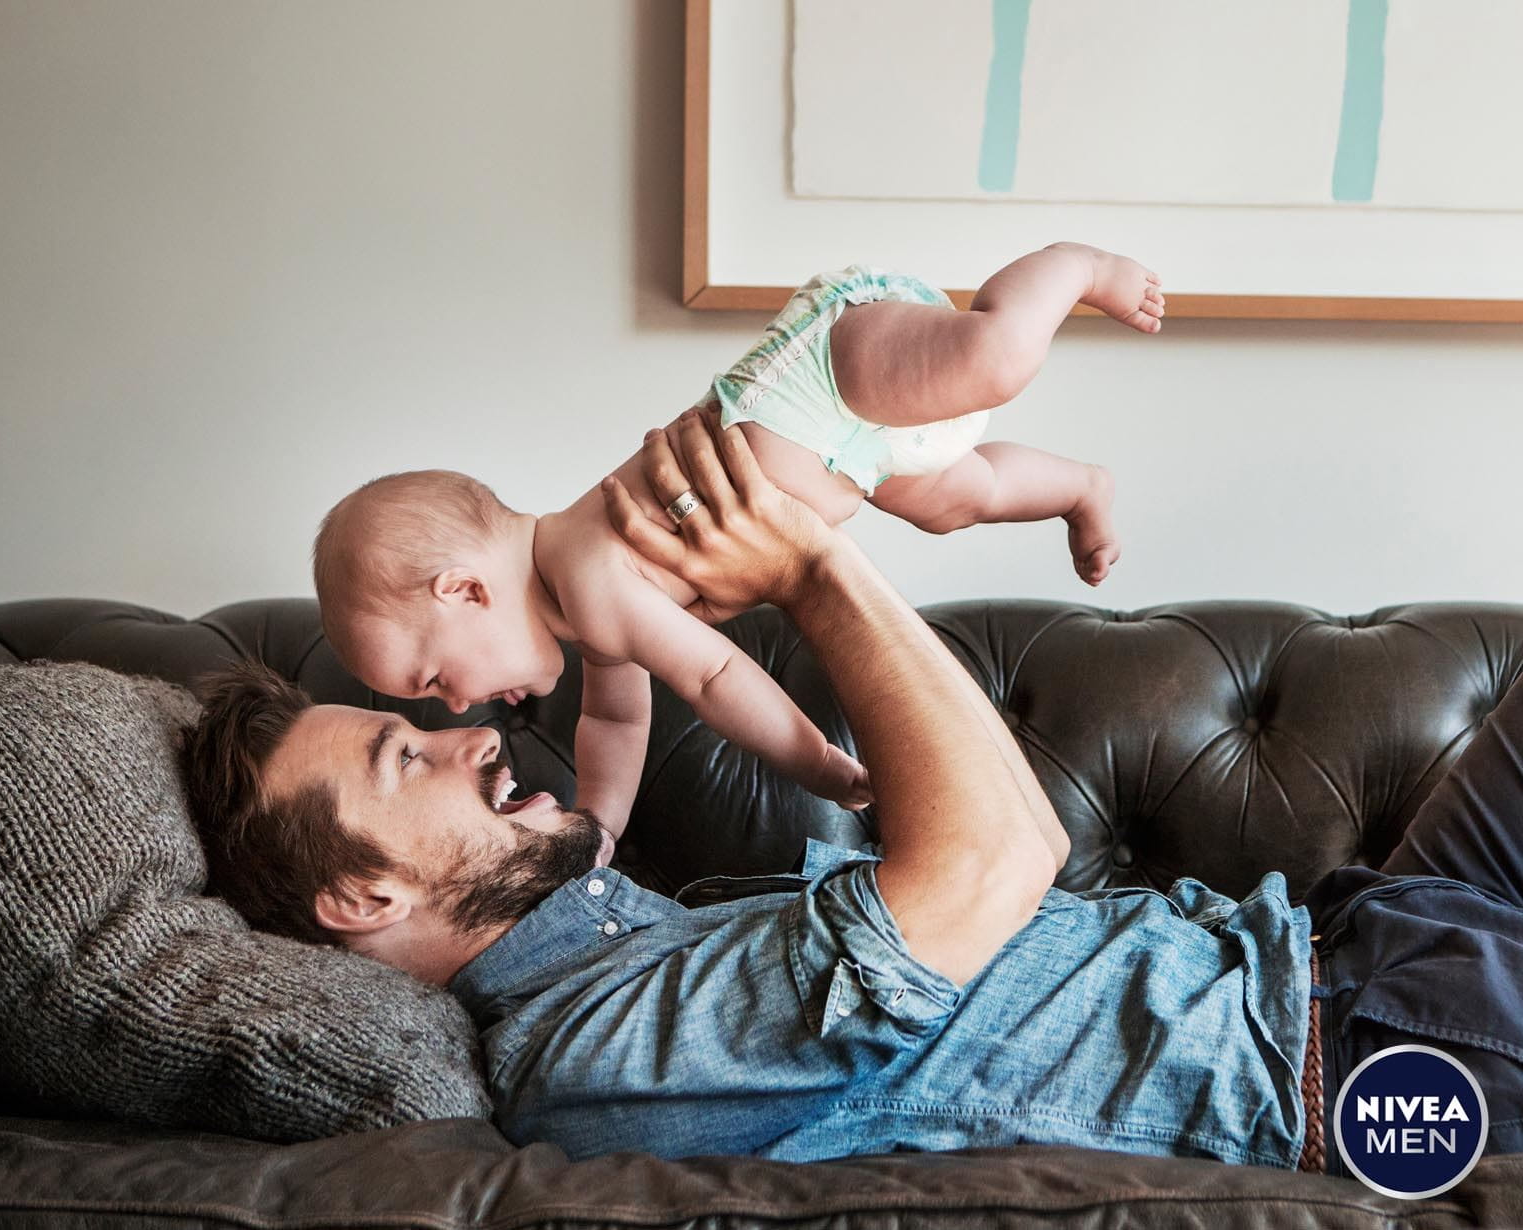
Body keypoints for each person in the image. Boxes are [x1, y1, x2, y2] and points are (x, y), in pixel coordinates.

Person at [183, 414, 1523, 1175]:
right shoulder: (596, 1047)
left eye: (437, 714)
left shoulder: (637, 933)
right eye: (403, 753)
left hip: (1359, 925)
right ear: (363, 892)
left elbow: (630, 709)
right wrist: (810, 568)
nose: (476, 738)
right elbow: (1001, 856)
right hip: (1369, 1047)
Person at [311, 243, 1164, 839]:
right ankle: (1084, 487)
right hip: (861, 458)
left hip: (823, 374)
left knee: (998, 359)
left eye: (433, 677)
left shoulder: (591, 575)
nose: (456, 705)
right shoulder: (586, 612)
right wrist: (600, 828)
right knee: (959, 496)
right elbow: (611, 721)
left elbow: (715, 673)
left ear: (464, 590)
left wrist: (818, 766)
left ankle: (1080, 265)